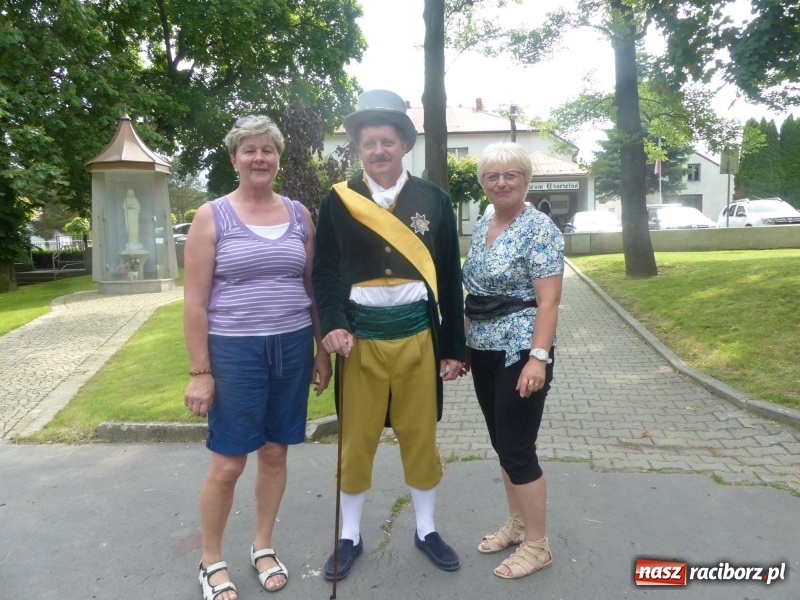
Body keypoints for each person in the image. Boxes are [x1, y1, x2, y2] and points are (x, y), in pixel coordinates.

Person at [312, 89, 466, 580]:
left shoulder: (434, 199)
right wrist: (333, 323)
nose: (378, 151)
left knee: (420, 437)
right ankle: (348, 535)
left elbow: (450, 276)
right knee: (356, 441)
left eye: (387, 141)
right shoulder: (337, 200)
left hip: (419, 337)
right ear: (358, 148)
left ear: (403, 144)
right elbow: (325, 272)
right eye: (369, 143)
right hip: (359, 340)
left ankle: (426, 529)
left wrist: (453, 347)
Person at [183, 115, 331, 600]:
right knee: (228, 463)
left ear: (278, 158)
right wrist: (201, 372)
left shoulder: (299, 214)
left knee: (274, 452)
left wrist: (320, 350)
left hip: (291, 347)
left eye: (268, 150)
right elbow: (194, 303)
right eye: (249, 150)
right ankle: (210, 559)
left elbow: (311, 288)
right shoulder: (212, 216)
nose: (259, 158)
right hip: (235, 353)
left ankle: (262, 546)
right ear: (235, 159)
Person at [462, 142, 564, 580]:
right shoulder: (484, 220)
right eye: (492, 176)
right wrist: (462, 344)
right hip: (483, 348)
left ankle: (537, 546)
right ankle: (518, 523)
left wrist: (538, 359)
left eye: (511, 175)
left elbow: (549, 301)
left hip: (521, 350)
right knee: (502, 443)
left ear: (526, 179)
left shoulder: (540, 228)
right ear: (483, 182)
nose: (501, 183)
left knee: (518, 449)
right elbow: (476, 292)